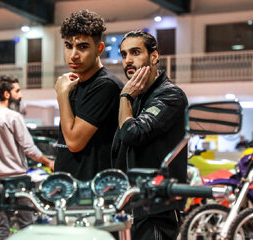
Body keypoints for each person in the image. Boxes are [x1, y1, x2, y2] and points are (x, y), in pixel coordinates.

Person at [111, 30, 188, 240]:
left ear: (154, 56)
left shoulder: (170, 94)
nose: (128, 60)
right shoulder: (138, 98)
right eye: (124, 54)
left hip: (155, 209)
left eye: (135, 52)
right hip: (130, 206)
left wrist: (125, 95)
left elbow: (132, 134)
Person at [0, 75, 54, 239]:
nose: (20, 95)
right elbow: (30, 149)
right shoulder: (14, 117)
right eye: (17, 91)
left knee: (2, 227)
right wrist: (49, 162)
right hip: (17, 180)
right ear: (7, 94)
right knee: (26, 226)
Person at [54, 9, 124, 181]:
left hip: (94, 192)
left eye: (82, 47)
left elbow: (74, 142)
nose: (73, 55)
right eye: (68, 46)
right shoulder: (74, 84)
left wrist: (61, 94)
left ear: (99, 49)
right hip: (69, 187)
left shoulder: (105, 85)